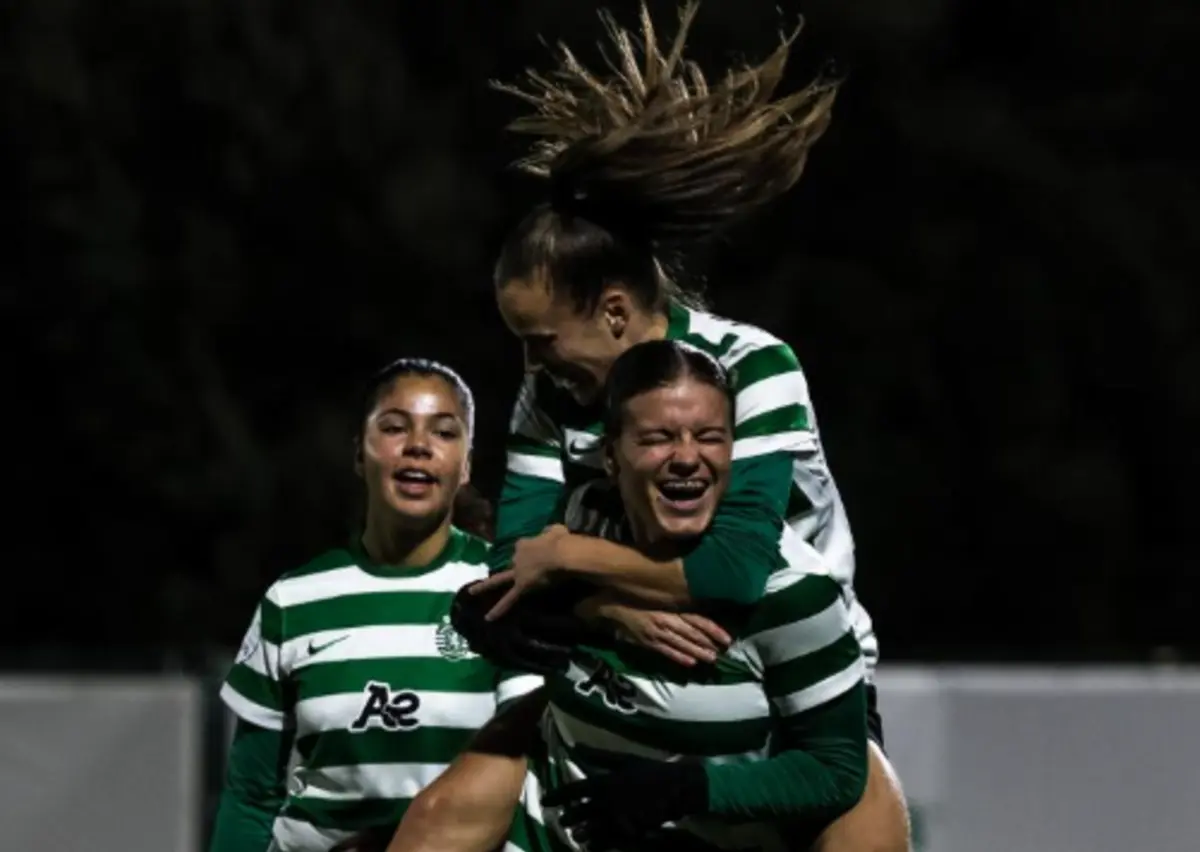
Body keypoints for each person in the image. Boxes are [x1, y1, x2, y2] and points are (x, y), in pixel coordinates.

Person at [383, 340, 876, 852]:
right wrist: (586, 611)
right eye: (657, 438)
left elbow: (835, 771)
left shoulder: (792, 591)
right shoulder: (577, 524)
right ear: (611, 459)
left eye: (710, 437)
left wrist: (687, 790)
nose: (687, 458)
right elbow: (502, 603)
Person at [207, 358, 542, 852]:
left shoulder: (504, 588)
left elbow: (526, 775)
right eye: (394, 427)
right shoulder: (293, 601)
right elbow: (251, 797)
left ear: (466, 465)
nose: (418, 445)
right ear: (359, 455)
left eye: (444, 432)